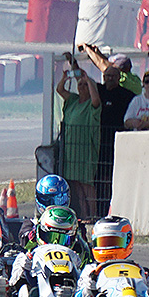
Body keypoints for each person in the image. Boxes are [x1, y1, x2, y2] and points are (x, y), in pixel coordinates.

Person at [81, 42, 140, 215]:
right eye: (107, 76)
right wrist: (75, 67)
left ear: (119, 77)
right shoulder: (99, 90)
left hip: (117, 140)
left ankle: (114, 209)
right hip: (99, 141)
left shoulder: (126, 94)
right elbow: (84, 83)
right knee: (99, 178)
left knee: (113, 177)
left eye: (113, 76)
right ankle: (99, 210)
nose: (109, 79)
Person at [55, 56, 100, 217]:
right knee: (77, 187)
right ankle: (84, 214)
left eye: (85, 85)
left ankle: (93, 214)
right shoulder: (73, 100)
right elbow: (60, 90)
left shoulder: (92, 105)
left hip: (86, 151)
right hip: (71, 151)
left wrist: (88, 81)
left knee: (87, 185)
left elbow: (95, 99)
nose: (81, 87)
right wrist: (65, 78)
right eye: (79, 85)